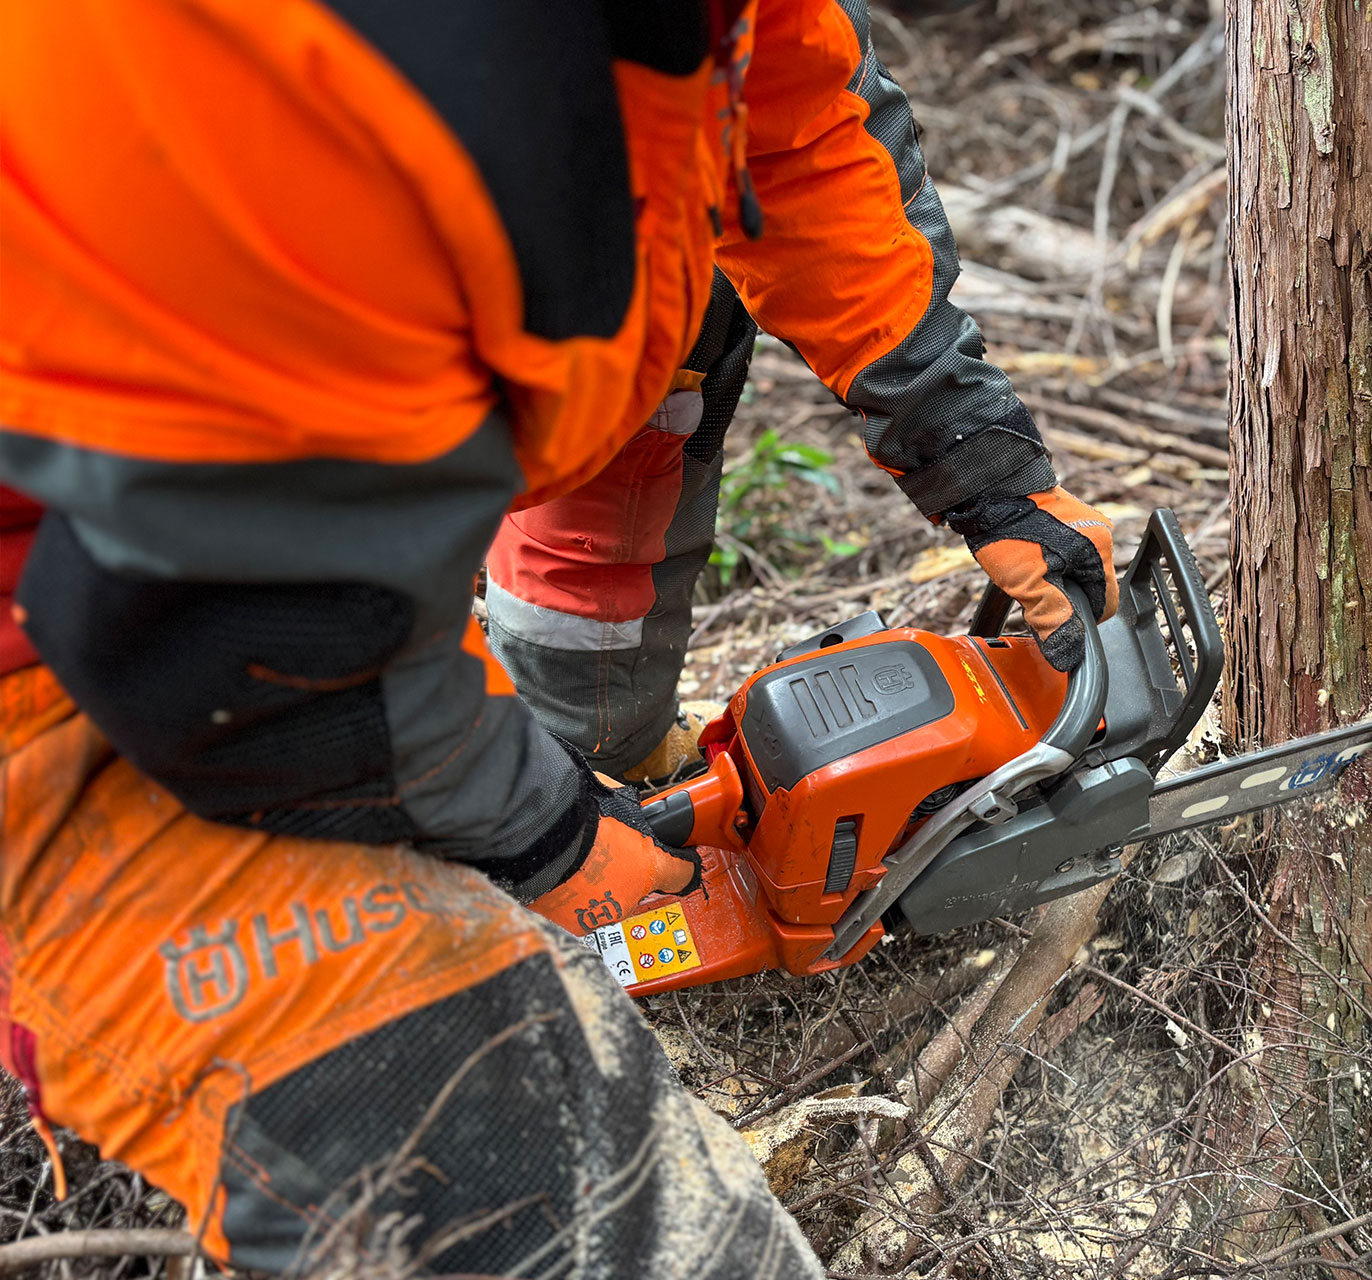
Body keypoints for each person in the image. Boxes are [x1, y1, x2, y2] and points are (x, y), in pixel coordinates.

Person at [0, 1, 1117, 1275]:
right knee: (643, 1246)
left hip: (281, 539)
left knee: (676, 290)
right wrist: (539, 831)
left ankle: (566, 736)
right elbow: (246, 643)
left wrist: (977, 457)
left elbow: (792, 123)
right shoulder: (281, 69)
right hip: (91, 671)